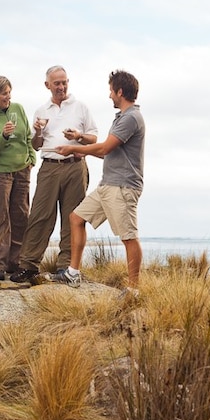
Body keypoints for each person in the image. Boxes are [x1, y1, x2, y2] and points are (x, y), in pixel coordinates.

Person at [53, 70, 145, 289]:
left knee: (128, 237)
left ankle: (134, 289)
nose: (109, 95)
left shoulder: (131, 117)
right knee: (76, 218)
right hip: (108, 185)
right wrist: (81, 151)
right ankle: (73, 273)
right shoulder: (122, 117)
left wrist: (74, 148)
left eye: (111, 91)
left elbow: (105, 147)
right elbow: (106, 151)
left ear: (120, 91)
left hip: (122, 187)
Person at [10, 66, 98, 285]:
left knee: (73, 218)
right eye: (56, 83)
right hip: (49, 167)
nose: (61, 87)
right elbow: (36, 145)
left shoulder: (81, 107)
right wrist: (38, 131)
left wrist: (78, 136)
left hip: (75, 166)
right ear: (47, 85)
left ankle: (66, 267)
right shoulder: (42, 110)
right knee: (40, 215)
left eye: (64, 82)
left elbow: (94, 139)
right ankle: (28, 266)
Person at [0, 75, 37, 284]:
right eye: (4, 94)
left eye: (9, 92)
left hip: (23, 170)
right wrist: (3, 136)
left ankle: (16, 261)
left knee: (21, 215)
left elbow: (28, 137)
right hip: (1, 172)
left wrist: (31, 159)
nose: (8, 97)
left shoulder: (18, 109)